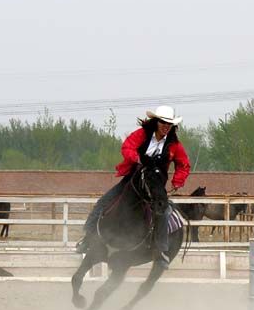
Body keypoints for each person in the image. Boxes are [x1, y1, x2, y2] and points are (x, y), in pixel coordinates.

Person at [76, 105, 191, 269]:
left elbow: (184, 165)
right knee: (103, 202)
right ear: (156, 122)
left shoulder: (174, 145)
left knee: (163, 211)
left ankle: (161, 251)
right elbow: (127, 147)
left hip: (155, 186)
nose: (166, 126)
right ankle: (88, 239)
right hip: (132, 181)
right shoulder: (142, 135)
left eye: (169, 124)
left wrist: (177, 182)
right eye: (163, 122)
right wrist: (137, 159)